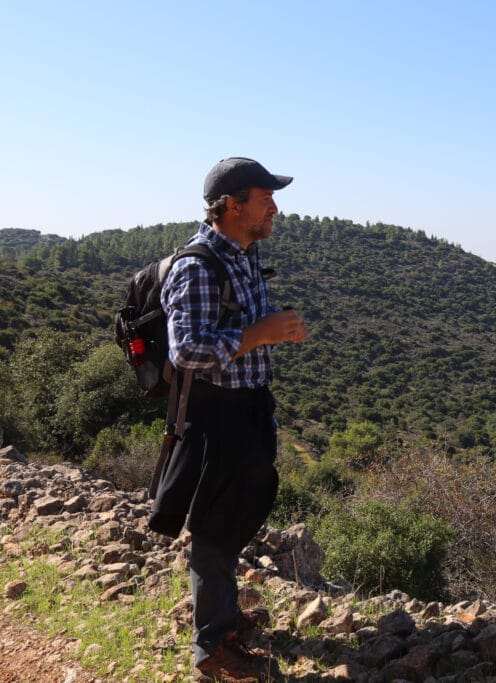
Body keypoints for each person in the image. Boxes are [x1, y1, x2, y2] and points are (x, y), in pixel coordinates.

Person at [150, 157, 307, 680]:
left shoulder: (244, 252)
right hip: (216, 418)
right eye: (266, 200)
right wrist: (259, 335)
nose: (275, 208)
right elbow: (188, 353)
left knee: (244, 507)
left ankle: (222, 615)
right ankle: (212, 649)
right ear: (232, 207)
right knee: (215, 528)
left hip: (247, 407)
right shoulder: (198, 267)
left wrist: (271, 333)